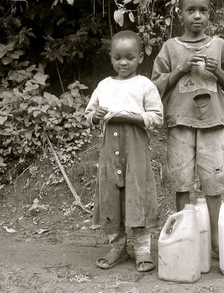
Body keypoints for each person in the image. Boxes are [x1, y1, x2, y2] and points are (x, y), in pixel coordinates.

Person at [152, 0, 224, 257]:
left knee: (213, 184)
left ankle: (215, 240)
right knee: (181, 182)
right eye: (190, 10)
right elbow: (155, 87)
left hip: (212, 124)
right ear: (180, 14)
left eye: (203, 10)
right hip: (179, 124)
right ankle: (185, 236)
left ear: (209, 14)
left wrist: (219, 74)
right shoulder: (170, 48)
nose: (197, 16)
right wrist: (180, 69)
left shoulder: (219, 46)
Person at [85, 30, 164, 272]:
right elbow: (89, 115)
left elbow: (157, 117)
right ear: (111, 58)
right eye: (118, 57)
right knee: (111, 196)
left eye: (129, 57)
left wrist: (132, 117)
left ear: (140, 57)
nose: (123, 62)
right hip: (110, 150)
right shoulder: (104, 86)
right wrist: (95, 117)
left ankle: (142, 250)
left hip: (135, 149)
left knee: (137, 195)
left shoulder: (144, 85)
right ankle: (117, 247)